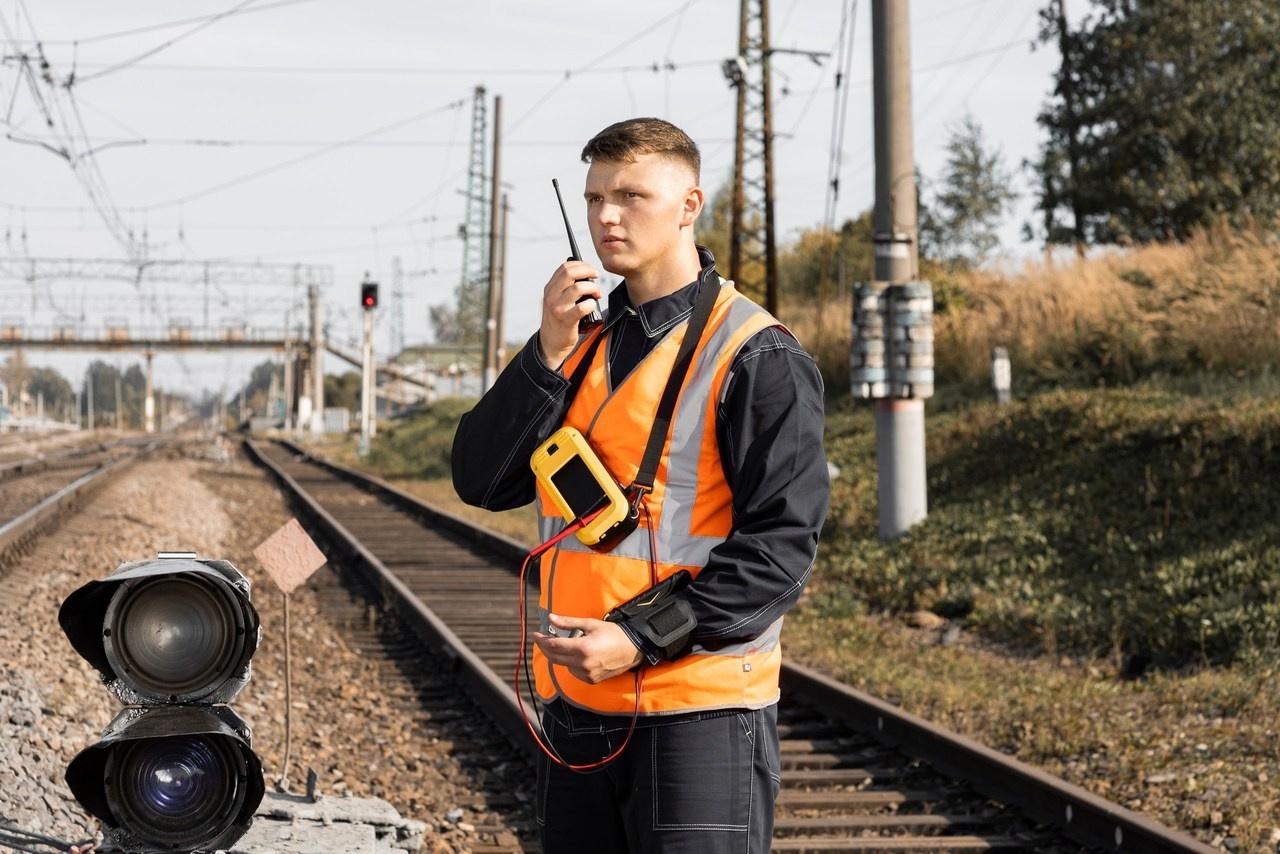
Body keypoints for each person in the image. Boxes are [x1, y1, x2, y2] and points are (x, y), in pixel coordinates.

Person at [451, 117, 828, 853]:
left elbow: (781, 549)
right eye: (594, 198)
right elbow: (480, 480)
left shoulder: (757, 354)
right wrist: (545, 351)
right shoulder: (577, 340)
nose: (606, 217)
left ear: (689, 205)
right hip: (579, 706)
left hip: (699, 712)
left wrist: (638, 637)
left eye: (631, 195)